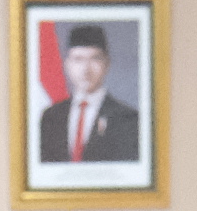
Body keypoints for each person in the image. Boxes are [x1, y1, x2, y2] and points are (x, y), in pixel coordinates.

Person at [37, 23, 138, 164]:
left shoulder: (128, 119)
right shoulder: (50, 117)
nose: (86, 69)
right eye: (78, 59)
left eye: (95, 59)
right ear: (67, 65)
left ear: (107, 64)